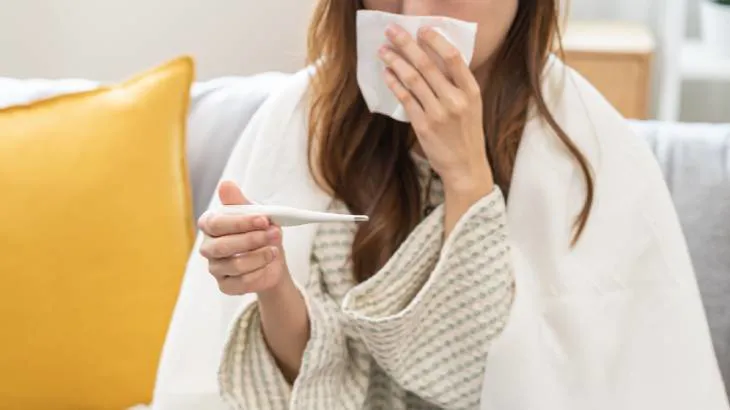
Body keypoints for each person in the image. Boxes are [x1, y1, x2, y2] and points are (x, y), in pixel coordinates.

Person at [152, 1, 729, 409]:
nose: (415, 15)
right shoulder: (304, 119)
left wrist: (466, 177)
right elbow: (314, 381)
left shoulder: (591, 150)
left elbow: (494, 380)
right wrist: (272, 284)